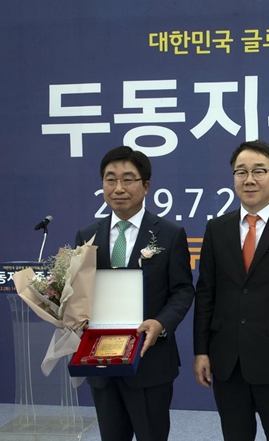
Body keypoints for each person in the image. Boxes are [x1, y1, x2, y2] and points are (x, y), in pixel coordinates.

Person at [193, 140, 269, 441]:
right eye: (241, 172)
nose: (249, 179)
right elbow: (206, 293)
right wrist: (201, 351)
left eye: (258, 171)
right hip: (227, 359)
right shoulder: (216, 229)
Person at [75, 146, 195, 441]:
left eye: (128, 179)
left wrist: (161, 323)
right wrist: (74, 314)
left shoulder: (169, 234)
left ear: (146, 186)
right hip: (100, 359)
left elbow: (182, 290)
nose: (118, 188)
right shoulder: (87, 235)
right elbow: (78, 289)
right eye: (110, 179)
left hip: (149, 358)